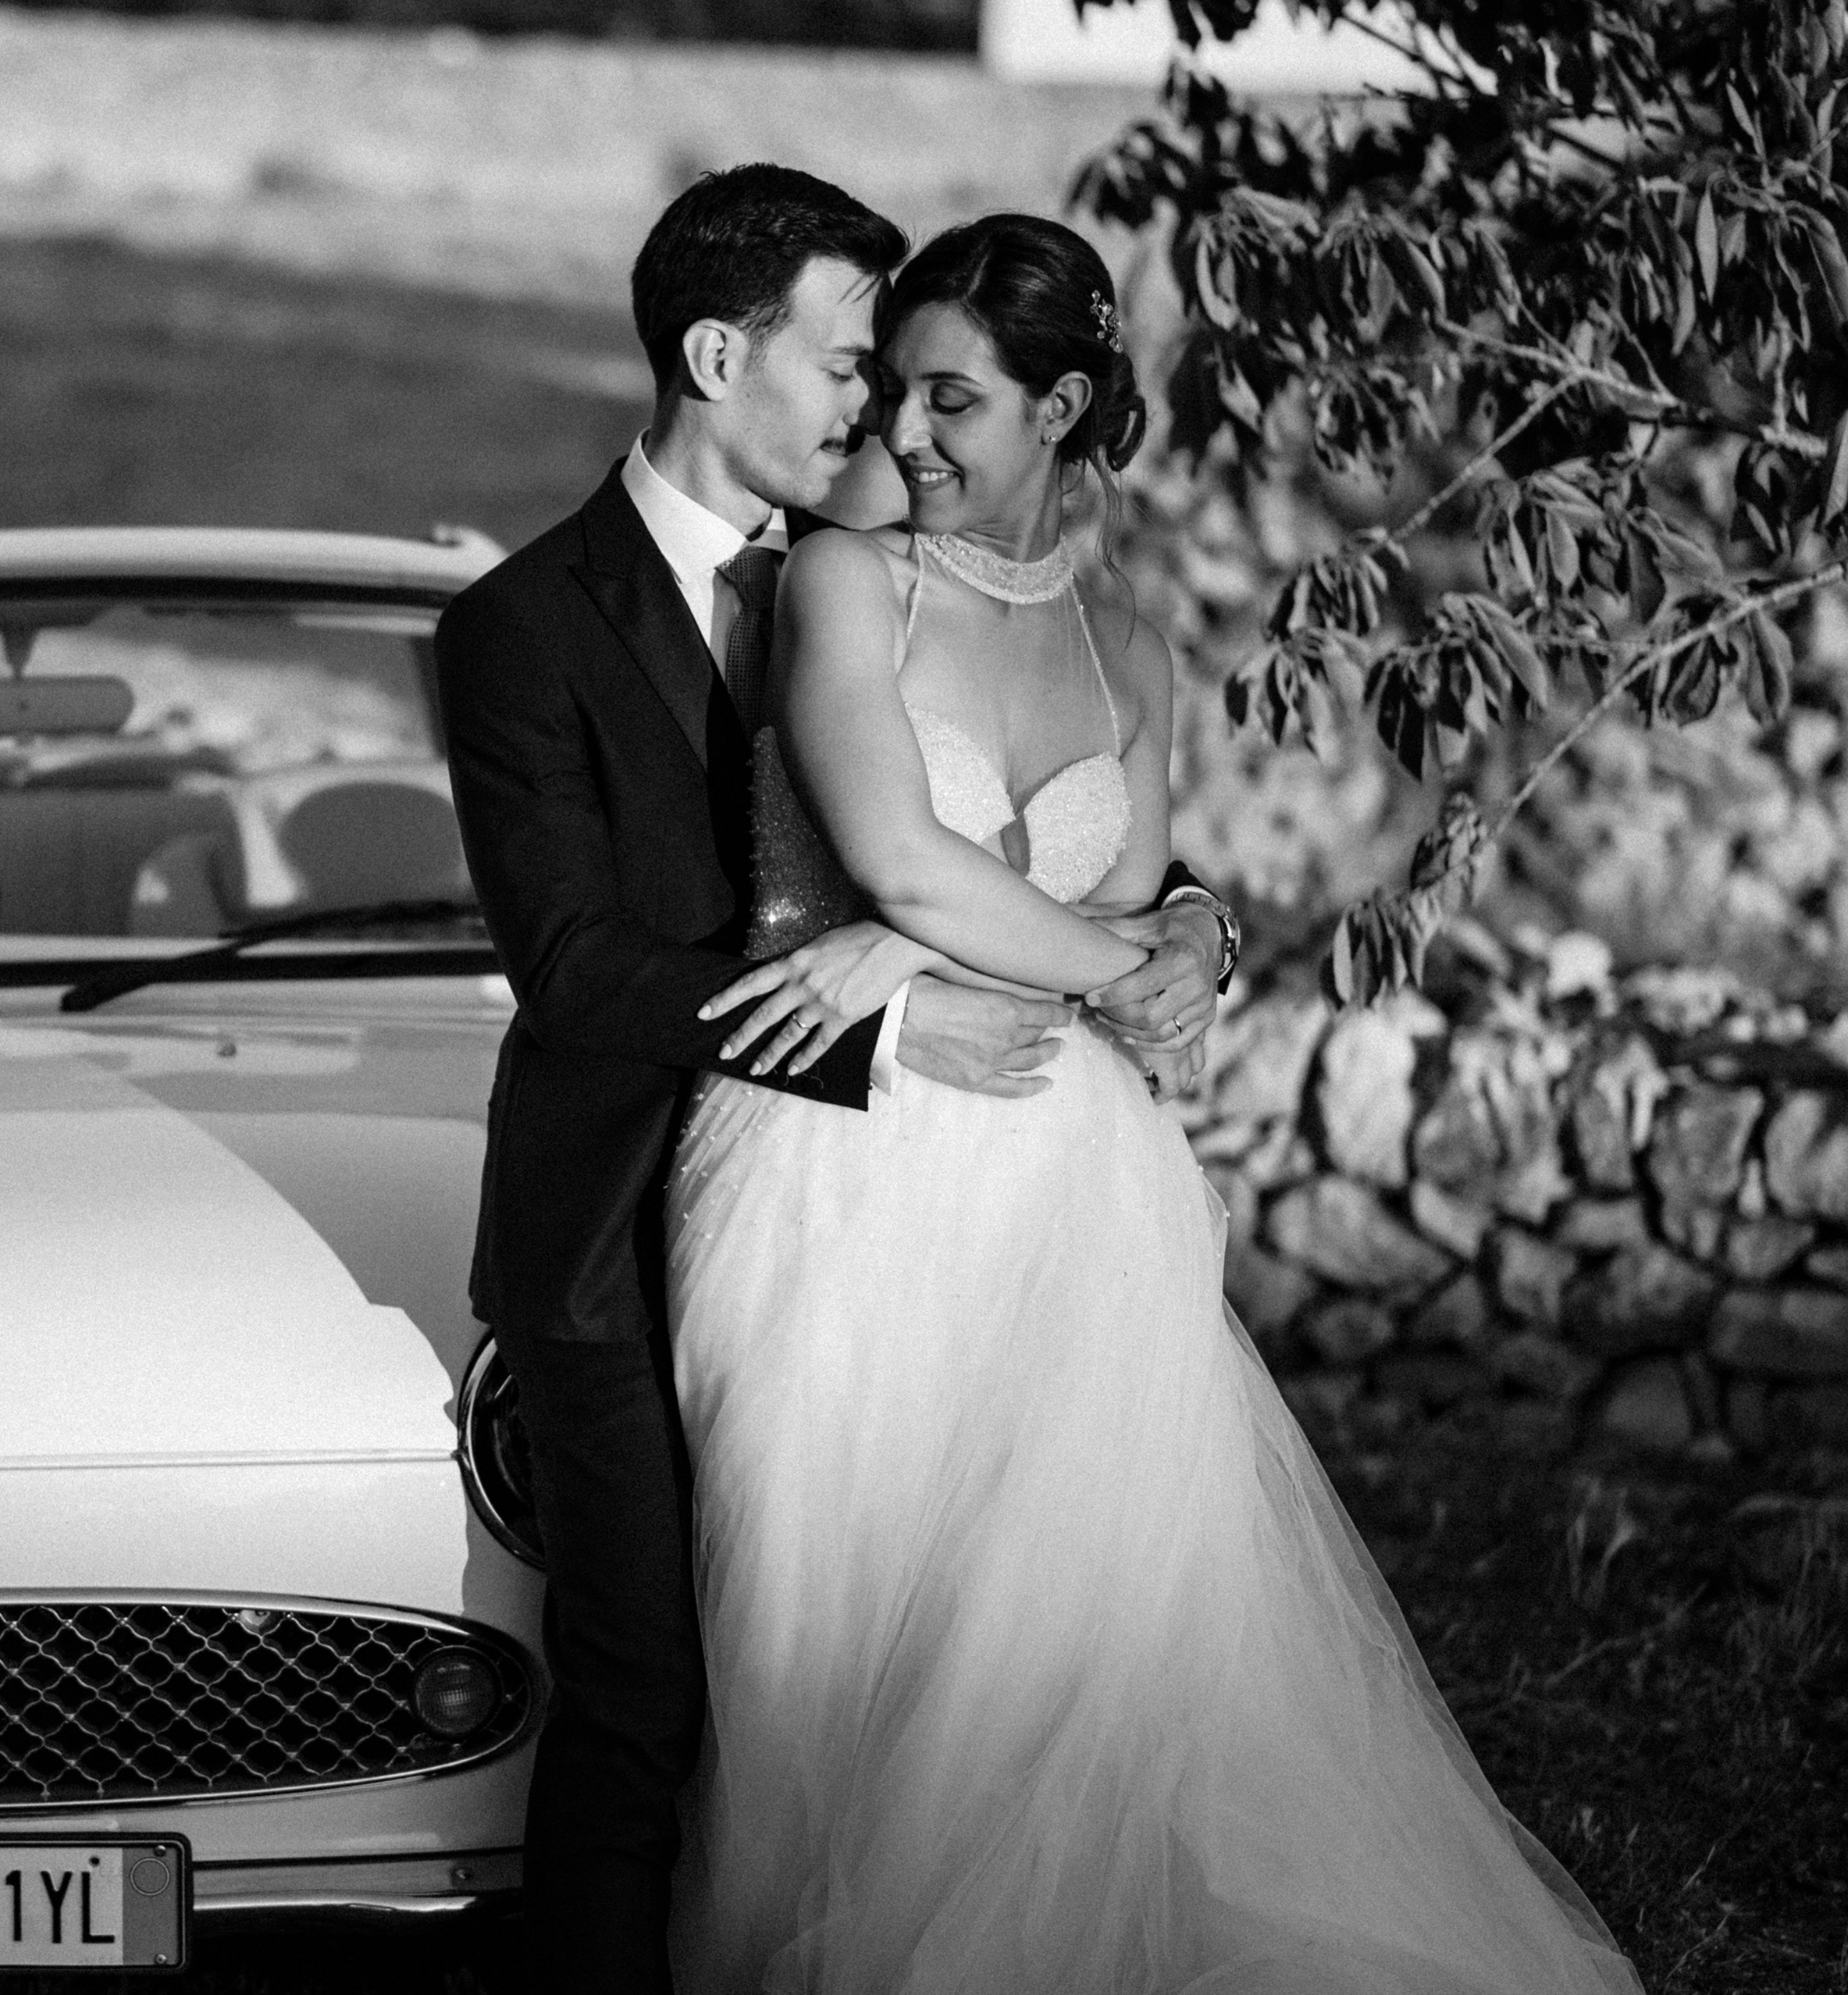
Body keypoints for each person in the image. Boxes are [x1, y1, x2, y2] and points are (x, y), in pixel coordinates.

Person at [664, 212, 1641, 1993]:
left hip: (1070, 1173)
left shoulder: (1132, 643)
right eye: (897, 395)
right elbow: (909, 854)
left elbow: (1117, 901)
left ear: (1063, 410)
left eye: (954, 401)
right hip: (843, 1166)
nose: (904, 434)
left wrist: (1174, 931)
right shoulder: (844, 584)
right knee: (843, 1627)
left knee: (1069, 1625)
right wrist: (1063, 952)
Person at [435, 168, 1234, 1995]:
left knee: (933, 1655)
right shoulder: (521, 627)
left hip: (903, 1205)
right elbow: (575, 967)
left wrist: (1194, 917)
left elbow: (1006, 811)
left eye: (902, 376)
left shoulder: (875, 566)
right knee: (657, 1682)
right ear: (722, 360)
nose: (880, 408)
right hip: (625, 1221)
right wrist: (881, 1012)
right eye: (852, 363)